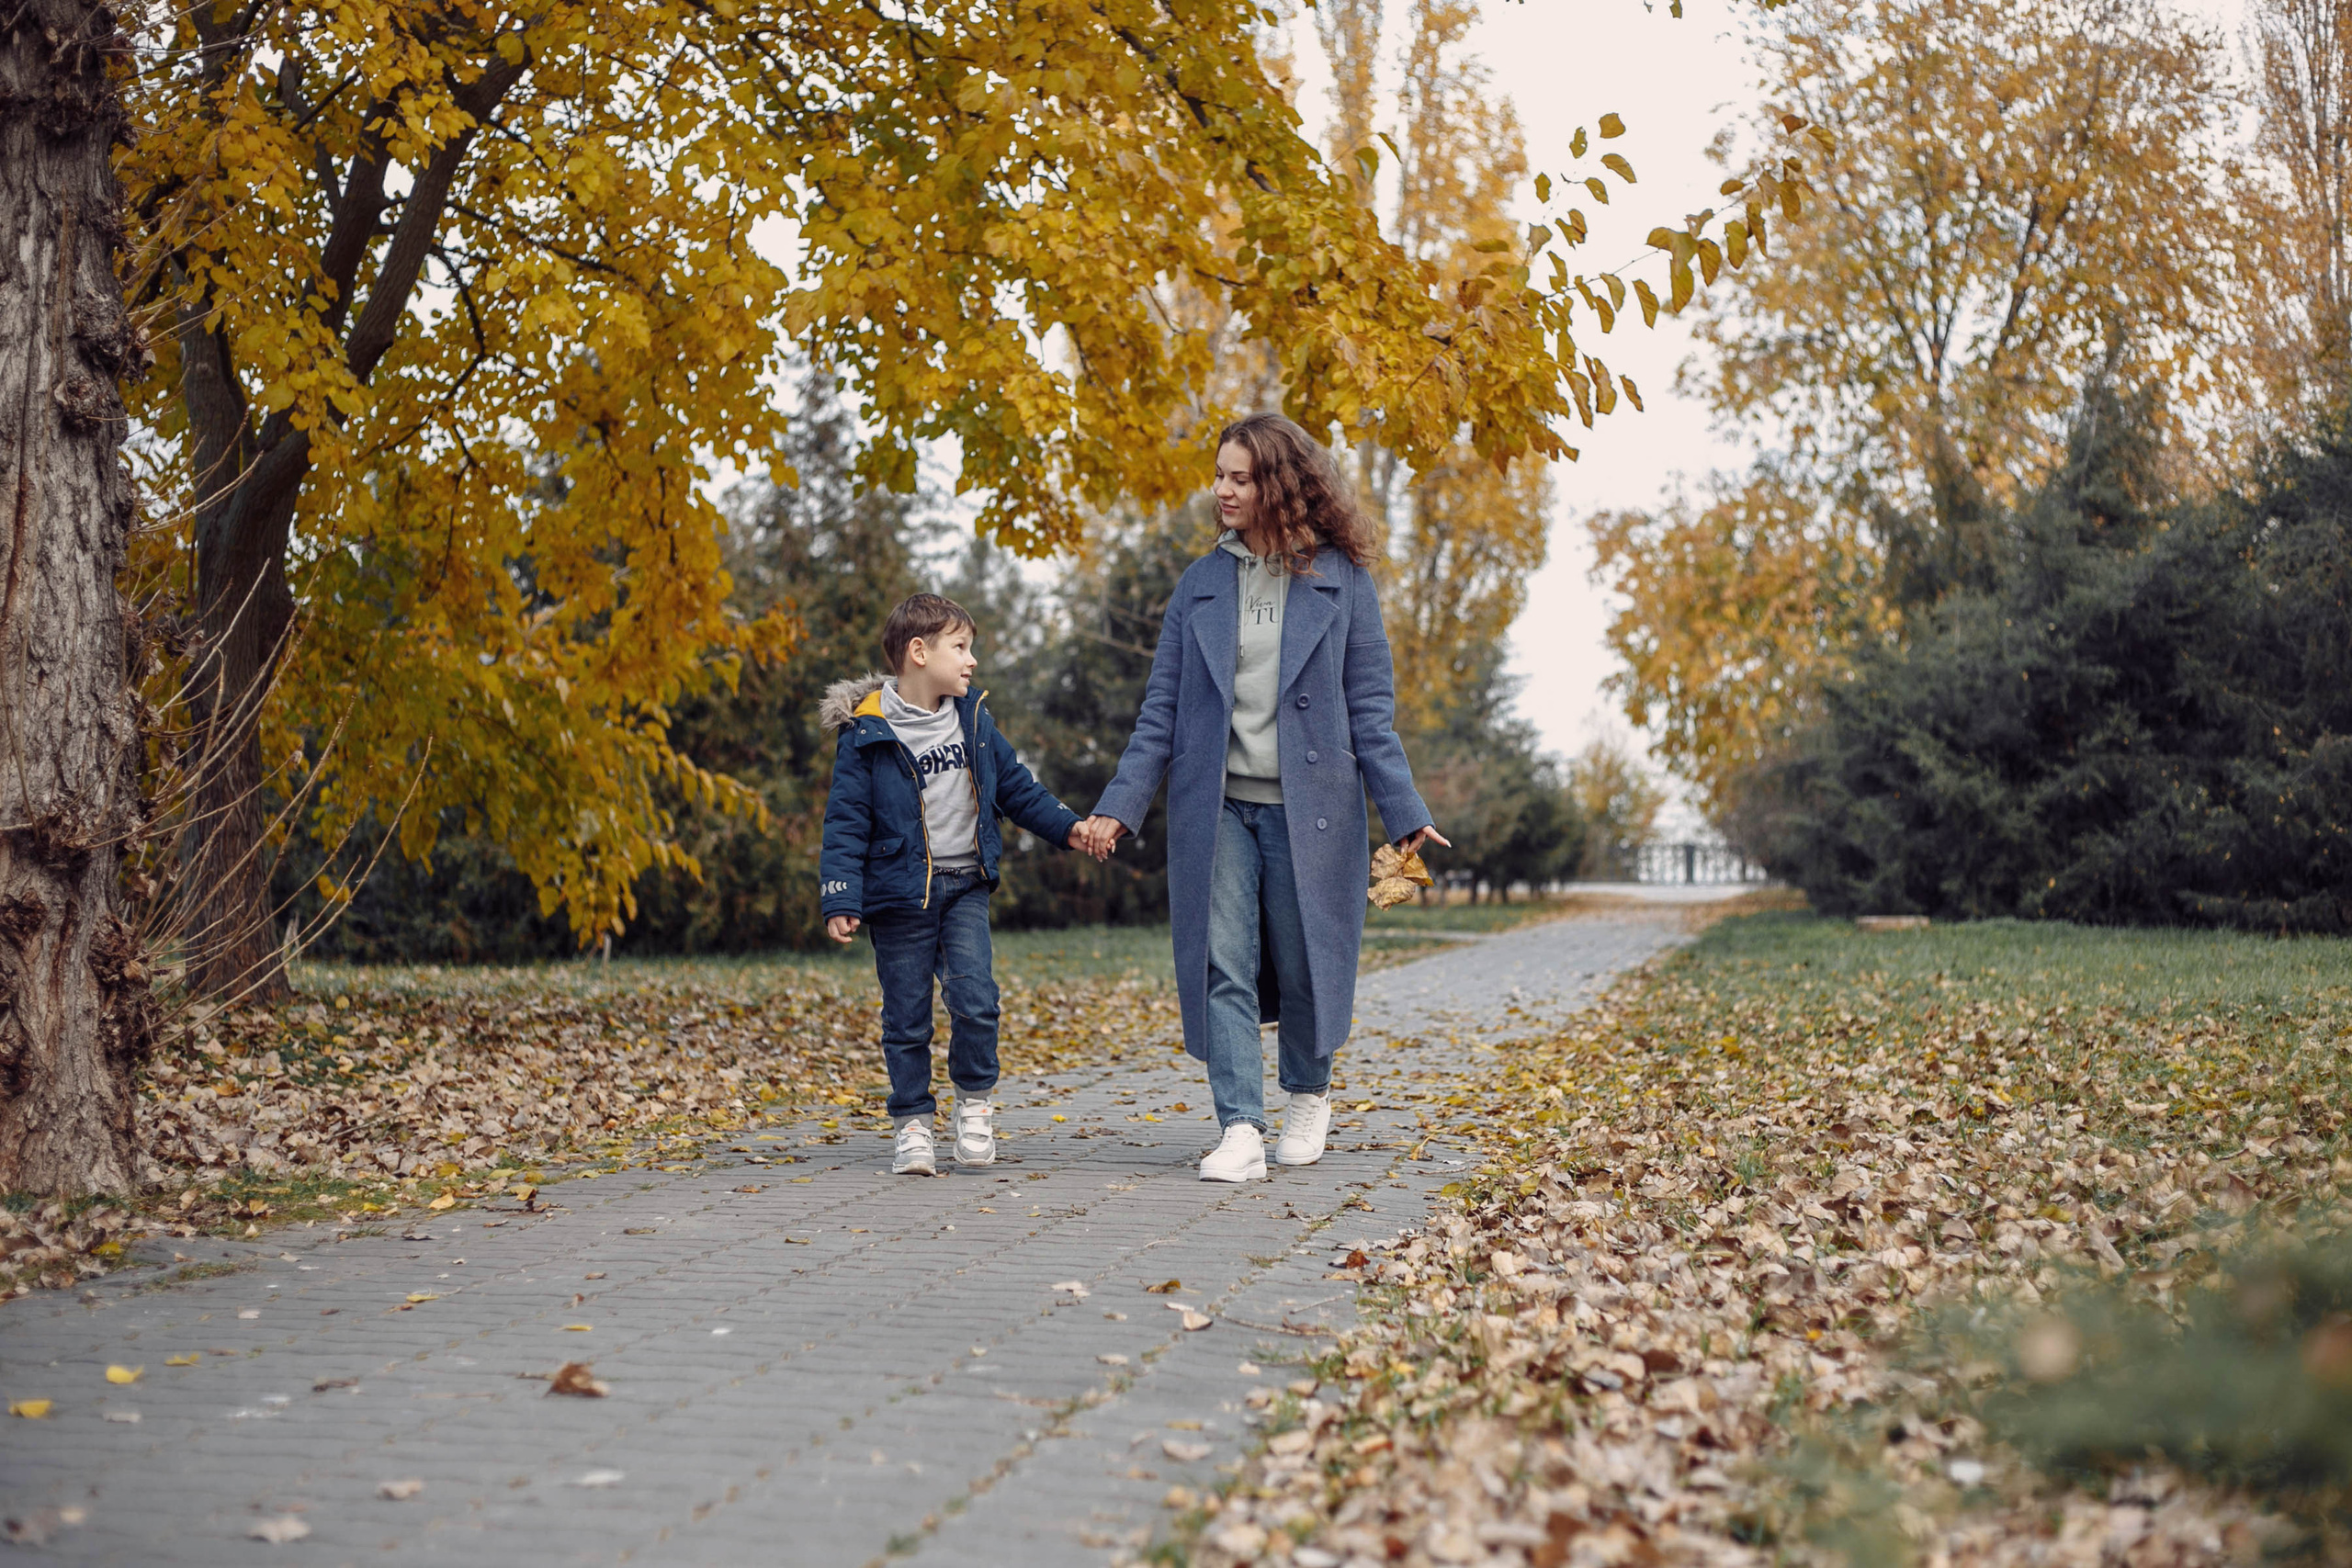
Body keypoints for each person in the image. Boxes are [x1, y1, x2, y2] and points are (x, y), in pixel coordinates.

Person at [1074, 414, 1447, 1181]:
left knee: (1309, 959)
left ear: (1277, 482)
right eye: (1219, 476)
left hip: (1312, 810)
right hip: (1218, 809)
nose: (1222, 491)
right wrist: (1119, 803)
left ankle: (1309, 1091)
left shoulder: (1343, 580)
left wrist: (1405, 808)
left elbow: (1371, 709)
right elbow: (1161, 712)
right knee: (1223, 963)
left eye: (1239, 478)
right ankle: (1240, 1126)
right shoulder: (1201, 584)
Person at [819, 593, 1103, 1176]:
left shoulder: (972, 718)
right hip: (900, 896)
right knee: (906, 1018)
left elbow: (1017, 788)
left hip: (965, 887)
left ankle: (974, 1106)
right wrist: (841, 895)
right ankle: (913, 1125)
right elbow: (845, 819)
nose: (972, 660)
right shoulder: (866, 732)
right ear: (919, 653)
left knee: (977, 1002)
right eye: (961, 647)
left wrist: (1069, 828)